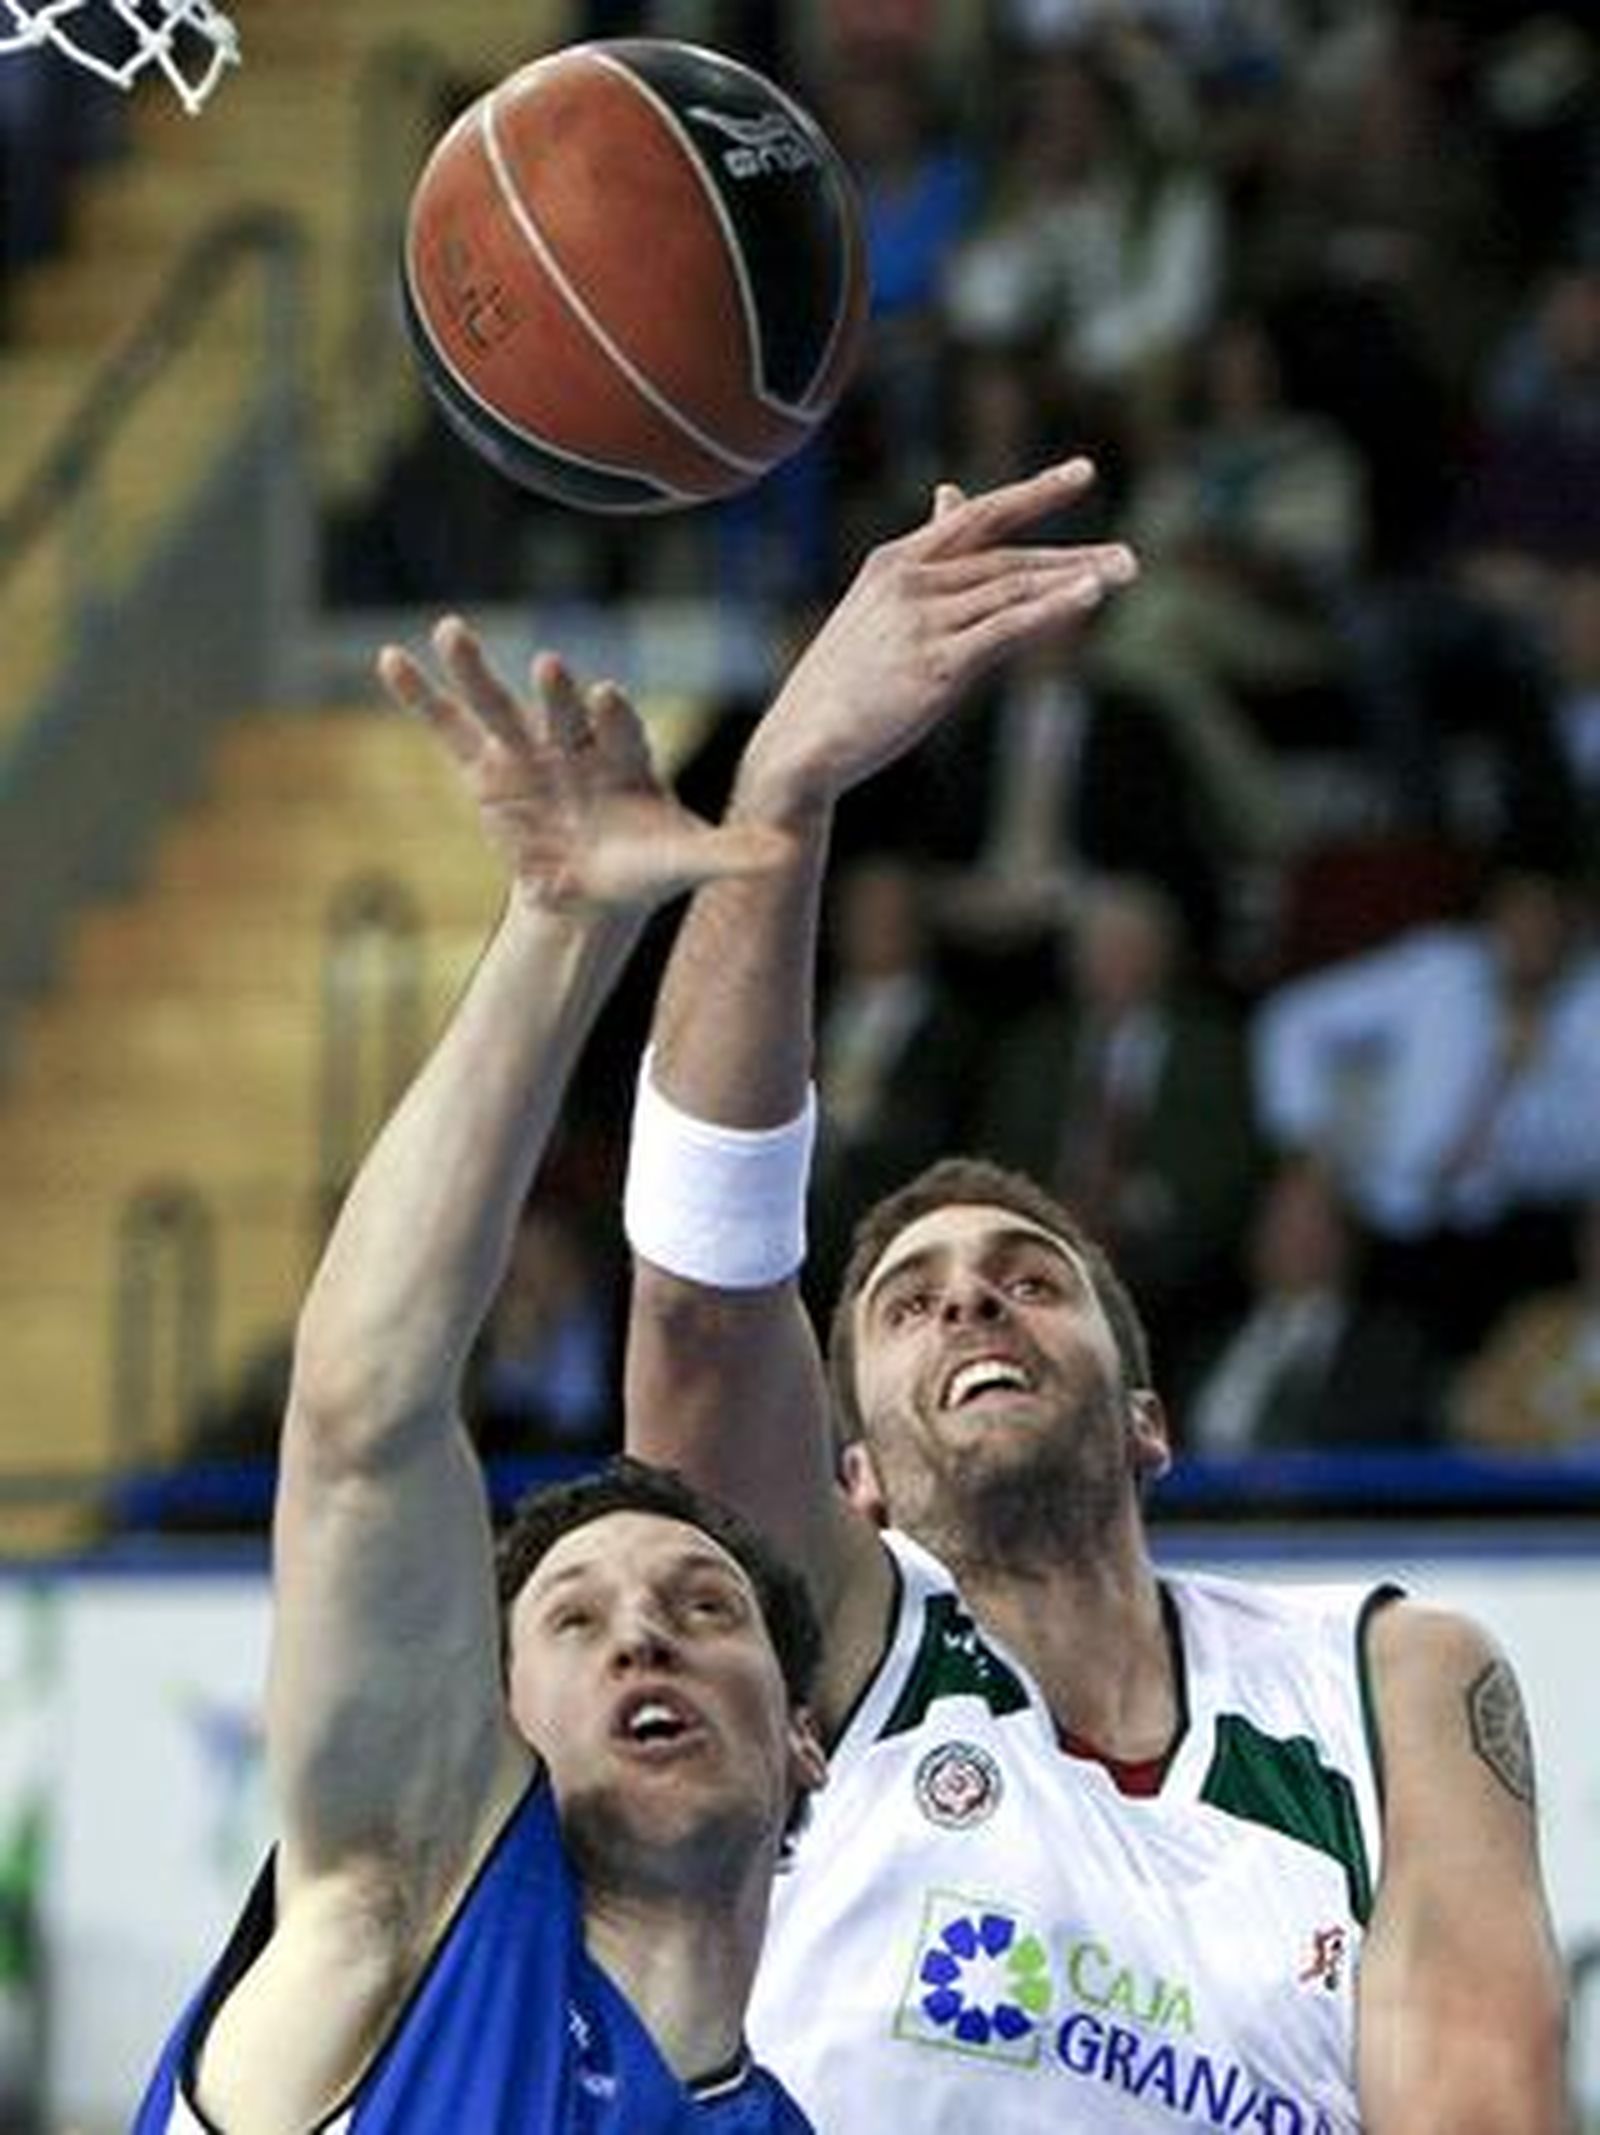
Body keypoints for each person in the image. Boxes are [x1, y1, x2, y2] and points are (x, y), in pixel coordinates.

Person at [616, 469, 1572, 2128]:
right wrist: (781, 795)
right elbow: (703, 1310)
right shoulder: (832, 1657)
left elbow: (1484, 2103)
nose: (972, 1305)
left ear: (1147, 1417)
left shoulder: (1390, 1684)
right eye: (909, 1308)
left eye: (1028, 1280)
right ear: (853, 1481)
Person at [132, 625, 829, 2132]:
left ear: (803, 1738)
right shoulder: (394, 1935)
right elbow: (363, 1416)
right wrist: (560, 933)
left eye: (706, 1609)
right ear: (487, 1716)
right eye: (572, 1622)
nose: (646, 1632)